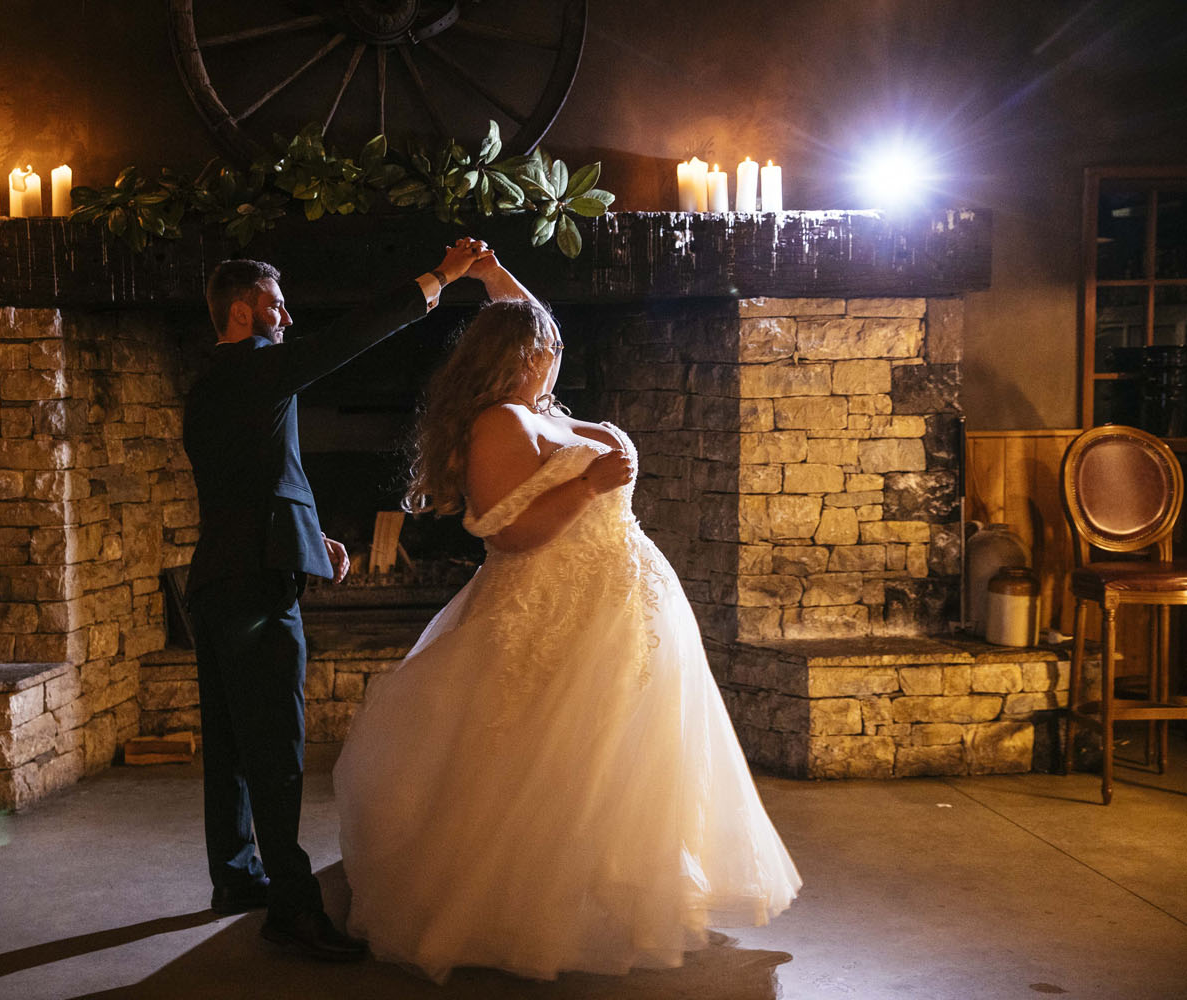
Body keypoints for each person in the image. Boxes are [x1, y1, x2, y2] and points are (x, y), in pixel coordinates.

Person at [333, 253, 802, 982]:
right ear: (521, 358)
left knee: (625, 760)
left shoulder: (542, 407)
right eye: (543, 348)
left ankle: (615, 893)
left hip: (618, 611)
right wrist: (587, 486)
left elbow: (535, 320)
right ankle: (529, 909)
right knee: (550, 757)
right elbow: (502, 529)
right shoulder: (500, 423)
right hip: (552, 612)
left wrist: (492, 274)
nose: (556, 355)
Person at [182, 241, 489, 961]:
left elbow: (254, 483)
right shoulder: (256, 368)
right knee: (278, 747)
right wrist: (439, 278)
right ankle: (291, 907)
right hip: (256, 589)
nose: (285, 315)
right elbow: (347, 339)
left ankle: (235, 877)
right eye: (273, 303)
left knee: (230, 742)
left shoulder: (218, 385)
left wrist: (313, 540)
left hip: (221, 580)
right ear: (240, 312)